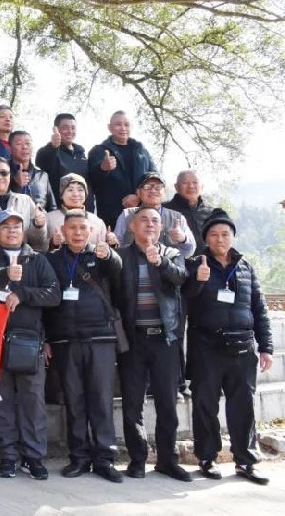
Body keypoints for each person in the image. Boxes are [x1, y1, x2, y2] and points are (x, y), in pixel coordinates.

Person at [183, 212, 274, 485]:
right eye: (213, 235)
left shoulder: (246, 266)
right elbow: (183, 301)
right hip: (206, 347)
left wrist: (266, 347)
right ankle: (207, 458)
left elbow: (259, 308)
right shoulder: (194, 264)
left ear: (233, 237)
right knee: (205, 405)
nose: (220, 239)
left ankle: (246, 461)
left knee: (243, 406)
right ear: (205, 239)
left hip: (243, 348)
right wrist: (197, 280)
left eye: (225, 234)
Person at [0, 210, 61, 481]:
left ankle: (34, 457)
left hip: (29, 342)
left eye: (16, 226)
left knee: (33, 401)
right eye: (5, 227)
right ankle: (8, 456)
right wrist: (4, 274)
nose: (11, 231)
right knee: (1, 402)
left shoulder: (37, 259)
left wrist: (22, 293)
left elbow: (54, 294)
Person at [44, 210, 124, 483]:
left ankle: (105, 458)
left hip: (100, 338)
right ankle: (78, 457)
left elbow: (119, 274)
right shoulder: (51, 260)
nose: (78, 233)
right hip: (65, 340)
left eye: (83, 228)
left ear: (91, 231)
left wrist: (111, 255)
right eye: (73, 228)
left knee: (101, 400)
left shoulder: (101, 257)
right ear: (63, 232)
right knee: (74, 401)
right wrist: (46, 338)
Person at [115, 206, 190, 481]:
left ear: (161, 228)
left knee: (167, 404)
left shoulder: (171, 254)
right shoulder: (121, 256)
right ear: (132, 226)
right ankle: (137, 459)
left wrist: (160, 262)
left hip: (165, 339)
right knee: (132, 404)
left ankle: (167, 460)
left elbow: (181, 278)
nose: (149, 225)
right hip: (133, 341)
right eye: (143, 220)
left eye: (155, 221)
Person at [87, 111, 158, 228]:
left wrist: (139, 196)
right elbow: (91, 182)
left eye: (127, 124)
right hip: (111, 217)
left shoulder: (141, 150)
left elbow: (155, 179)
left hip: (143, 214)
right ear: (109, 127)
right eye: (118, 124)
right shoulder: (98, 151)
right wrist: (102, 168)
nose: (123, 128)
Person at [113, 172, 195, 259]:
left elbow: (189, 252)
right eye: (147, 187)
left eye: (158, 187)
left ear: (164, 192)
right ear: (138, 192)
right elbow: (117, 246)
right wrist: (113, 242)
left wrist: (184, 240)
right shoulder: (127, 215)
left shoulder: (177, 218)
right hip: (133, 268)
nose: (152, 190)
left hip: (168, 270)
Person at [35, 114, 91, 211]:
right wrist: (53, 147)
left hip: (84, 212)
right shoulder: (49, 152)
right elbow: (41, 161)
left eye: (73, 128)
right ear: (56, 129)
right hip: (59, 212)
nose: (70, 131)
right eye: (65, 128)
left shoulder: (81, 153)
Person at [45, 174, 109, 250]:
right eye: (70, 190)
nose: (76, 194)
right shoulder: (48, 219)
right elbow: (38, 247)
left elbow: (106, 255)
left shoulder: (97, 222)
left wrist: (111, 244)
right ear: (61, 195)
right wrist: (52, 243)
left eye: (80, 190)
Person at [163, 170, 215, 254]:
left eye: (195, 182)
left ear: (202, 187)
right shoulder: (164, 210)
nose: (191, 186)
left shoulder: (212, 213)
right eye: (185, 182)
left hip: (207, 265)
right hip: (176, 264)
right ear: (176, 187)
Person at [8, 131, 56, 211]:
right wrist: (15, 185)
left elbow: (52, 207)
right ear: (10, 148)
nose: (24, 147)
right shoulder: (3, 173)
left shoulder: (42, 175)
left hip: (39, 222)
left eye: (28, 143)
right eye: (19, 144)